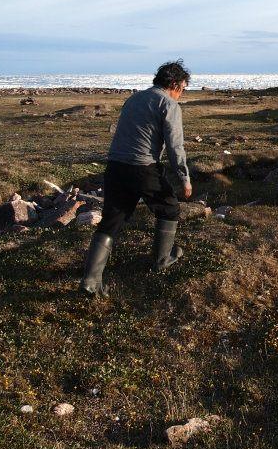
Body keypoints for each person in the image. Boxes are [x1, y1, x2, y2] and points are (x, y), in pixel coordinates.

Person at [79, 60, 193, 296]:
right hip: (143, 167)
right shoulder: (168, 104)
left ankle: (90, 281)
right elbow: (175, 146)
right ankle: (162, 259)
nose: (181, 94)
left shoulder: (133, 99)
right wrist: (184, 178)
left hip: (115, 167)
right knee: (169, 208)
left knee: (112, 219)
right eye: (182, 88)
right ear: (174, 84)